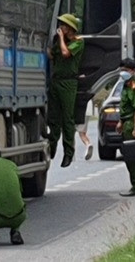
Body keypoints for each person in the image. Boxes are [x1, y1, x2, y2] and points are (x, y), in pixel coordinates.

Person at [48, 13, 85, 167]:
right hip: (56, 81)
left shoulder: (78, 42)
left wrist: (61, 39)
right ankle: (52, 145)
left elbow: (65, 53)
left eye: (63, 25)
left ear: (70, 28)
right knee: (54, 116)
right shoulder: (59, 42)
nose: (60, 28)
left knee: (67, 118)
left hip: (69, 83)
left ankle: (68, 153)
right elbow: (52, 55)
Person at [117, 58, 135, 196]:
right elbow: (125, 106)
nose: (123, 73)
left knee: (134, 157)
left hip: (133, 123)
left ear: (133, 71)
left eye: (126, 70)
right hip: (127, 122)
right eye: (121, 70)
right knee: (129, 156)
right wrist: (121, 122)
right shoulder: (126, 85)